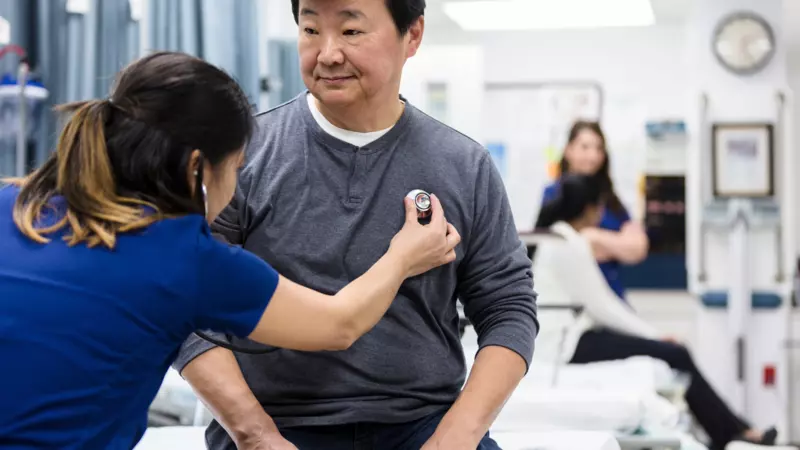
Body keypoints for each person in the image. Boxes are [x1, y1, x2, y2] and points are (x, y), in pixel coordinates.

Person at [0, 51, 461, 450]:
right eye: (236, 168)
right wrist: (404, 256)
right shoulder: (185, 260)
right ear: (197, 168)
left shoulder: (9, 203)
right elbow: (339, 324)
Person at [172, 1, 539, 449]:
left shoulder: (464, 166)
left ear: (413, 34)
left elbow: (508, 309)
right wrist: (255, 433)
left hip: (422, 422)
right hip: (275, 422)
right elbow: (183, 304)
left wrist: (456, 438)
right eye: (310, 29)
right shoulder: (241, 157)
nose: (327, 53)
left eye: (350, 31)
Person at [532, 173, 779, 450]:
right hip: (566, 345)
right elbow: (604, 307)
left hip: (569, 338)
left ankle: (736, 431)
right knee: (676, 353)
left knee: (675, 353)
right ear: (590, 208)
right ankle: (734, 433)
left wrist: (654, 338)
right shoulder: (569, 244)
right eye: (600, 206)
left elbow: (603, 306)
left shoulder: (558, 239)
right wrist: (656, 337)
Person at [541, 121, 648, 302]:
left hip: (612, 297)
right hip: (574, 302)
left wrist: (594, 237)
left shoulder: (610, 198)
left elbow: (638, 248)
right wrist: (617, 244)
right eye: (585, 147)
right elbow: (558, 247)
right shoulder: (554, 194)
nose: (593, 155)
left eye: (599, 148)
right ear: (568, 150)